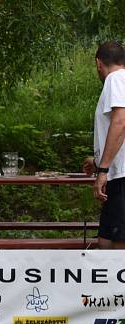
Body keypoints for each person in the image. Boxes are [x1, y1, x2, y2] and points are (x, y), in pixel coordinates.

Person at [82, 41, 125, 249]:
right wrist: (98, 161)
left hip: (121, 177)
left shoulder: (116, 79)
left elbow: (120, 122)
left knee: (118, 248)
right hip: (116, 176)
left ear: (99, 63)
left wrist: (103, 170)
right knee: (105, 243)